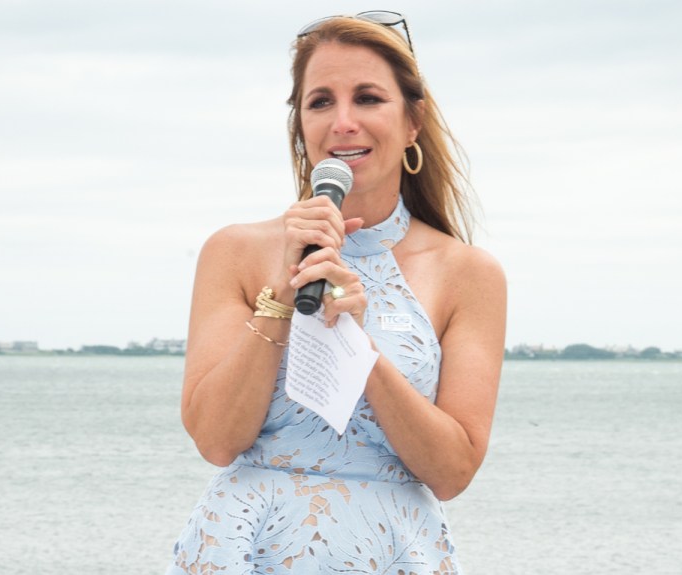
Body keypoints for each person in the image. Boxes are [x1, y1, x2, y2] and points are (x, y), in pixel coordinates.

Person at [167, 11, 506, 574]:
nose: (343, 122)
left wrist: (358, 346)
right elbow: (216, 441)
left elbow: (451, 473)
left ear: (413, 121)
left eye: (368, 98)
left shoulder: (466, 273)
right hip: (244, 546)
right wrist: (281, 295)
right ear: (300, 124)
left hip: (392, 551)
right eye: (320, 101)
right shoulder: (236, 251)